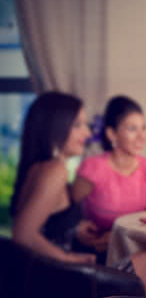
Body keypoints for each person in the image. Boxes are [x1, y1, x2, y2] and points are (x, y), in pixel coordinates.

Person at [72, 95, 146, 298]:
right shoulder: (93, 168)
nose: (142, 136)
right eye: (132, 129)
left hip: (137, 249)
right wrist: (78, 226)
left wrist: (115, 236)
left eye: (144, 127)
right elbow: (64, 209)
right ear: (111, 134)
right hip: (100, 256)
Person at [11, 92, 99, 264]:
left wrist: (74, 227)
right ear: (55, 126)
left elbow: (48, 225)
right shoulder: (55, 170)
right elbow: (22, 234)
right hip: (56, 276)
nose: (87, 133)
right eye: (77, 125)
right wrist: (69, 258)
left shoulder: (41, 167)